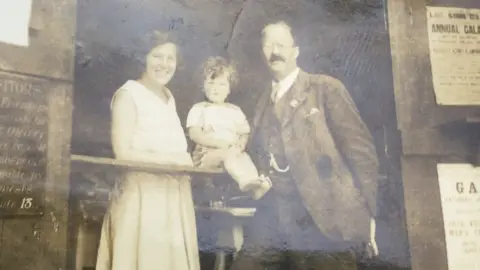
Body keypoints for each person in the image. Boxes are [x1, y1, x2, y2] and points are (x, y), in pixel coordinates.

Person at [227, 20, 380, 270]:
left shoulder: (325, 88)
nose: (274, 51)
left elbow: (361, 151)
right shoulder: (263, 99)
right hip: (274, 214)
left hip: (323, 217)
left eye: (281, 45)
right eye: (267, 45)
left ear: (295, 51)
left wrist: (367, 213)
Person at [95, 31, 200, 270]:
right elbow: (122, 153)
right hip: (142, 201)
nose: (164, 65)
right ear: (142, 57)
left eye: (170, 58)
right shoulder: (128, 95)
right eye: (157, 56)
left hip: (173, 200)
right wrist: (176, 161)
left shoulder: (168, 97)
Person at [187, 56, 271, 199]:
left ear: (229, 89)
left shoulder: (235, 111)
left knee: (244, 157)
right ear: (203, 85)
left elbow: (244, 133)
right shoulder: (200, 109)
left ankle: (254, 185)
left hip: (231, 153)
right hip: (207, 155)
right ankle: (245, 181)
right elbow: (194, 134)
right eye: (211, 83)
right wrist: (219, 143)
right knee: (230, 155)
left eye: (222, 84)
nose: (215, 88)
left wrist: (240, 145)